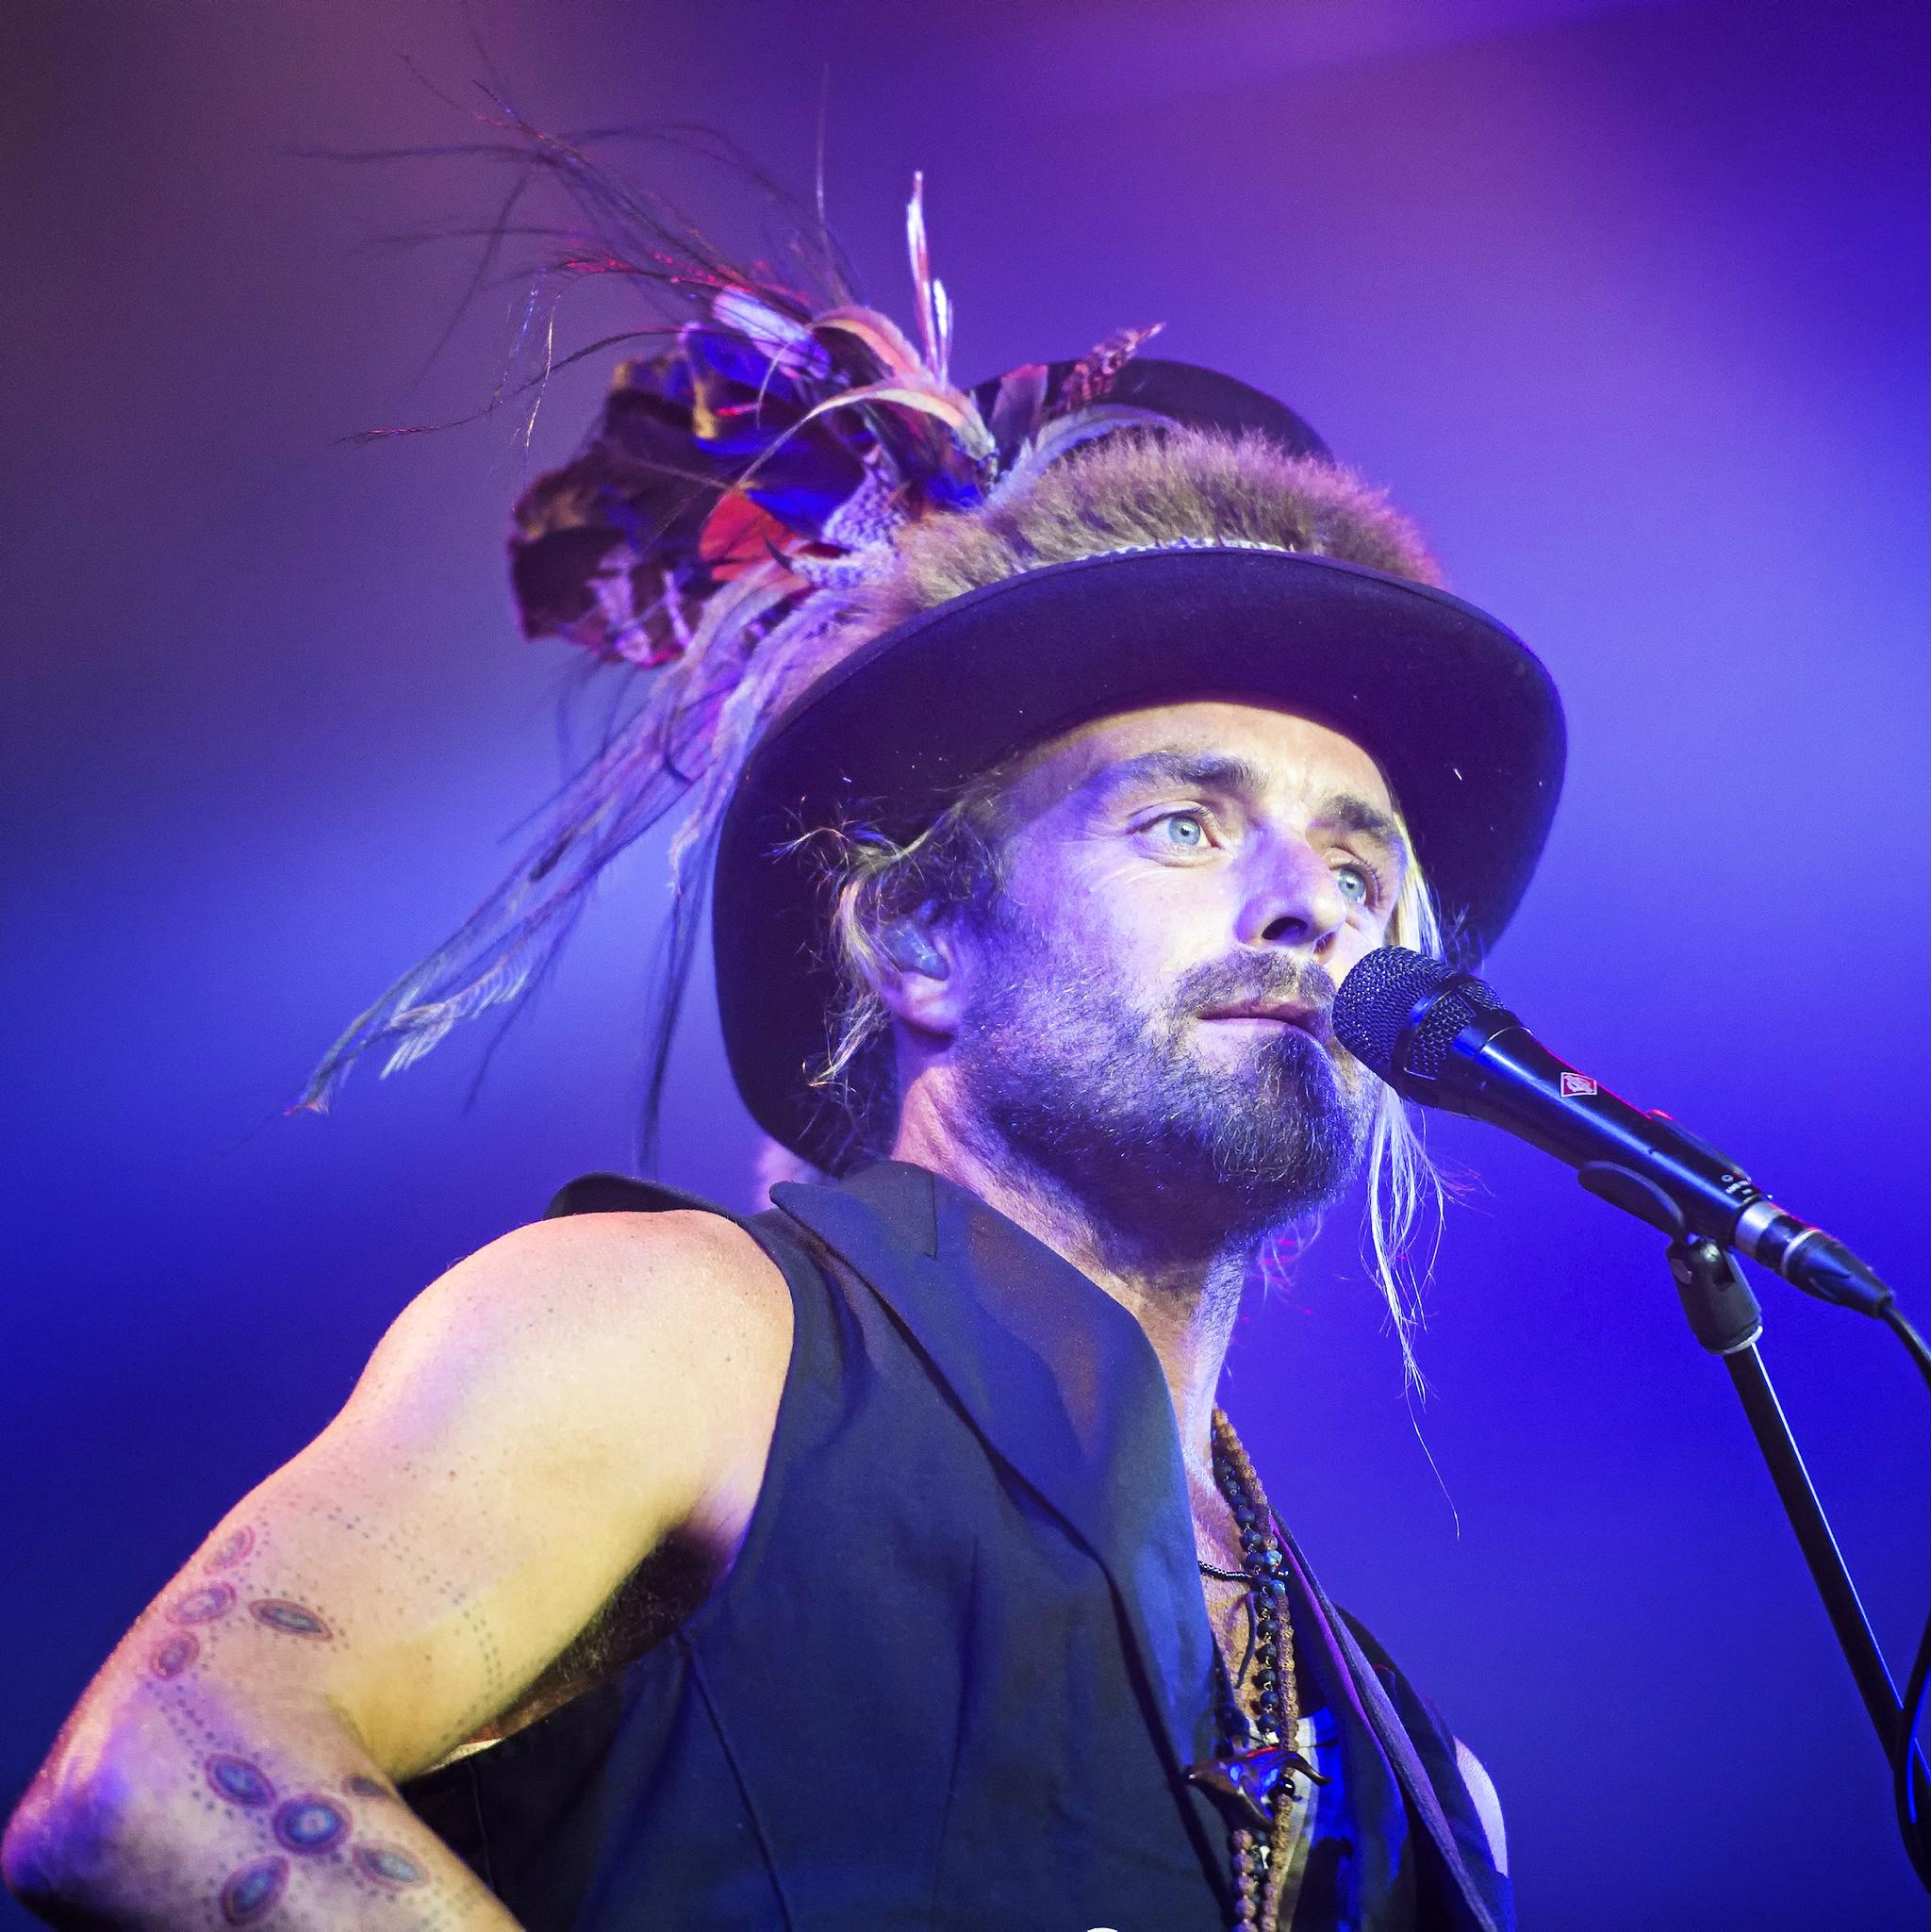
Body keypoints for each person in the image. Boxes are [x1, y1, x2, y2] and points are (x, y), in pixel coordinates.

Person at [3, 159, 1560, 1932]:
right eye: (1187, 827)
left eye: (1360, 860)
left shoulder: (1407, 1757)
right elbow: (171, 1774)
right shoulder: (680, 1327)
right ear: (915, 937)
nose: (1314, 908)